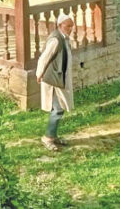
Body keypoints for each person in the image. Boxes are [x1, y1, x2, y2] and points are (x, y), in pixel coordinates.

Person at [36, 12, 74, 151]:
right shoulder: (56, 40)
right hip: (52, 80)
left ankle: (54, 135)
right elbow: (44, 58)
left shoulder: (64, 39)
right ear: (60, 25)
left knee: (60, 108)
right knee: (57, 109)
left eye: (71, 26)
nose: (70, 29)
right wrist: (39, 74)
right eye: (67, 26)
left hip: (59, 79)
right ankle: (48, 138)